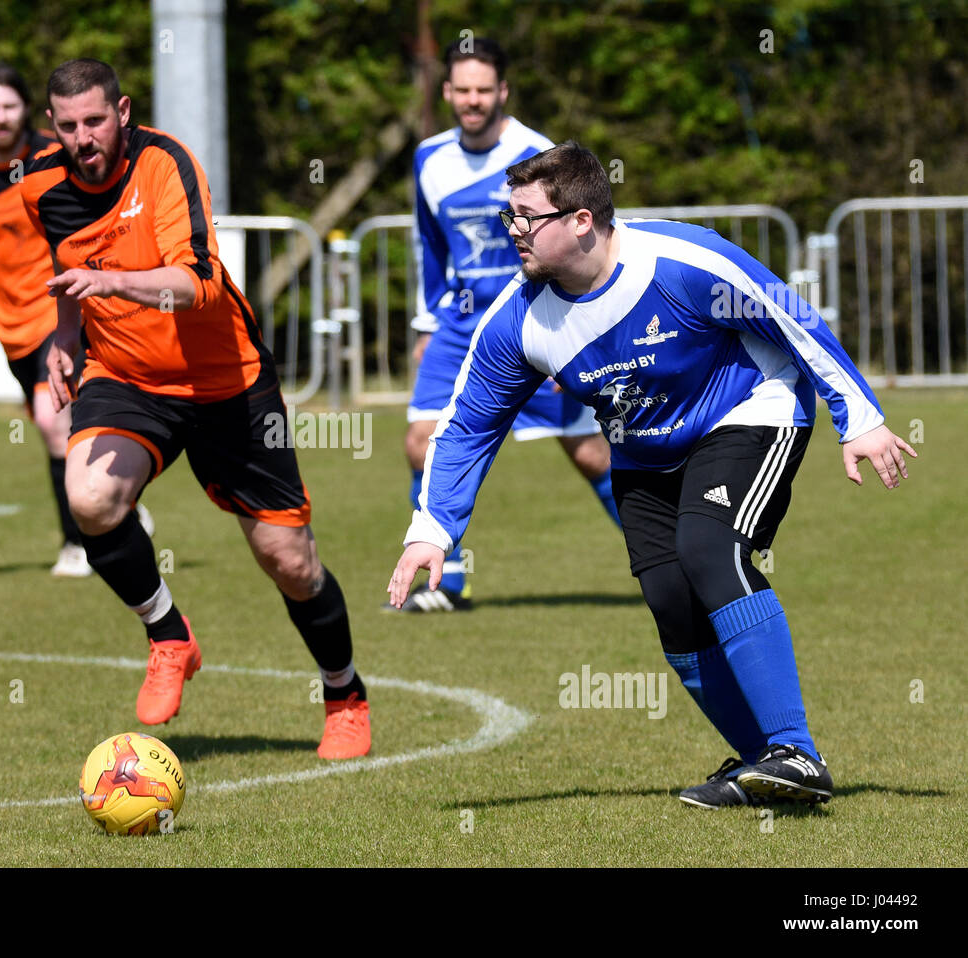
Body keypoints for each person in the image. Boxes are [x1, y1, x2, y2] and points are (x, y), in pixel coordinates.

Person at [388, 142, 915, 806]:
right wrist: (433, 528)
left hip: (752, 408)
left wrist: (859, 416)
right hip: (642, 451)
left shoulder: (684, 262)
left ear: (581, 220)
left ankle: (796, 753)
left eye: (526, 218)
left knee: (709, 546)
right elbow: (468, 424)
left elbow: (792, 318)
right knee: (671, 603)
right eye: (509, 217)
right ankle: (764, 766)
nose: (512, 232)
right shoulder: (519, 321)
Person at [20, 58, 370, 759]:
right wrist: (64, 334)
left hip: (227, 382)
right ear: (52, 130)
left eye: (95, 120)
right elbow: (65, 265)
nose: (83, 138)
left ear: (122, 112)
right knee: (88, 496)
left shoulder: (167, 163)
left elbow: (200, 284)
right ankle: (168, 635)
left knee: (288, 559)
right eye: (68, 127)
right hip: (126, 377)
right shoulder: (38, 183)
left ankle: (344, 694)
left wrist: (109, 279)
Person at [394, 38, 620, 614]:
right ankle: (448, 581)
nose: (472, 101)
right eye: (462, 90)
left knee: (589, 452)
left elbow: (570, 245)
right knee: (421, 443)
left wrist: (567, 332)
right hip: (459, 322)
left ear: (503, 92)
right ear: (447, 92)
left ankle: (669, 556)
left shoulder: (539, 155)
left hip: (532, 316)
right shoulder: (429, 159)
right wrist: (426, 324)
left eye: (483, 90)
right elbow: (429, 243)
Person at [0, 62, 152, 579]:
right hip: (12, 325)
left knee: (53, 420)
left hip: (65, 308)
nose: (1, 117)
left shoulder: (55, 153)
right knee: (57, 425)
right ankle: (116, 505)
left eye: (9, 105)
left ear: (27, 108)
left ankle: (78, 542)